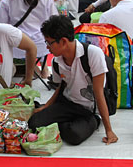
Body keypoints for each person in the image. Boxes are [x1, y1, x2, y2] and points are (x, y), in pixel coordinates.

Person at [28, 15, 118, 145]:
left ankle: (91, 121)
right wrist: (46, 106)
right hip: (68, 104)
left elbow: (99, 93)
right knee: (34, 123)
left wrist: (109, 130)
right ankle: (64, 121)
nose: (47, 47)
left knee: (74, 136)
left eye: (49, 42)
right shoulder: (57, 61)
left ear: (63, 41)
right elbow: (60, 88)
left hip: (89, 110)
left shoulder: (93, 54)